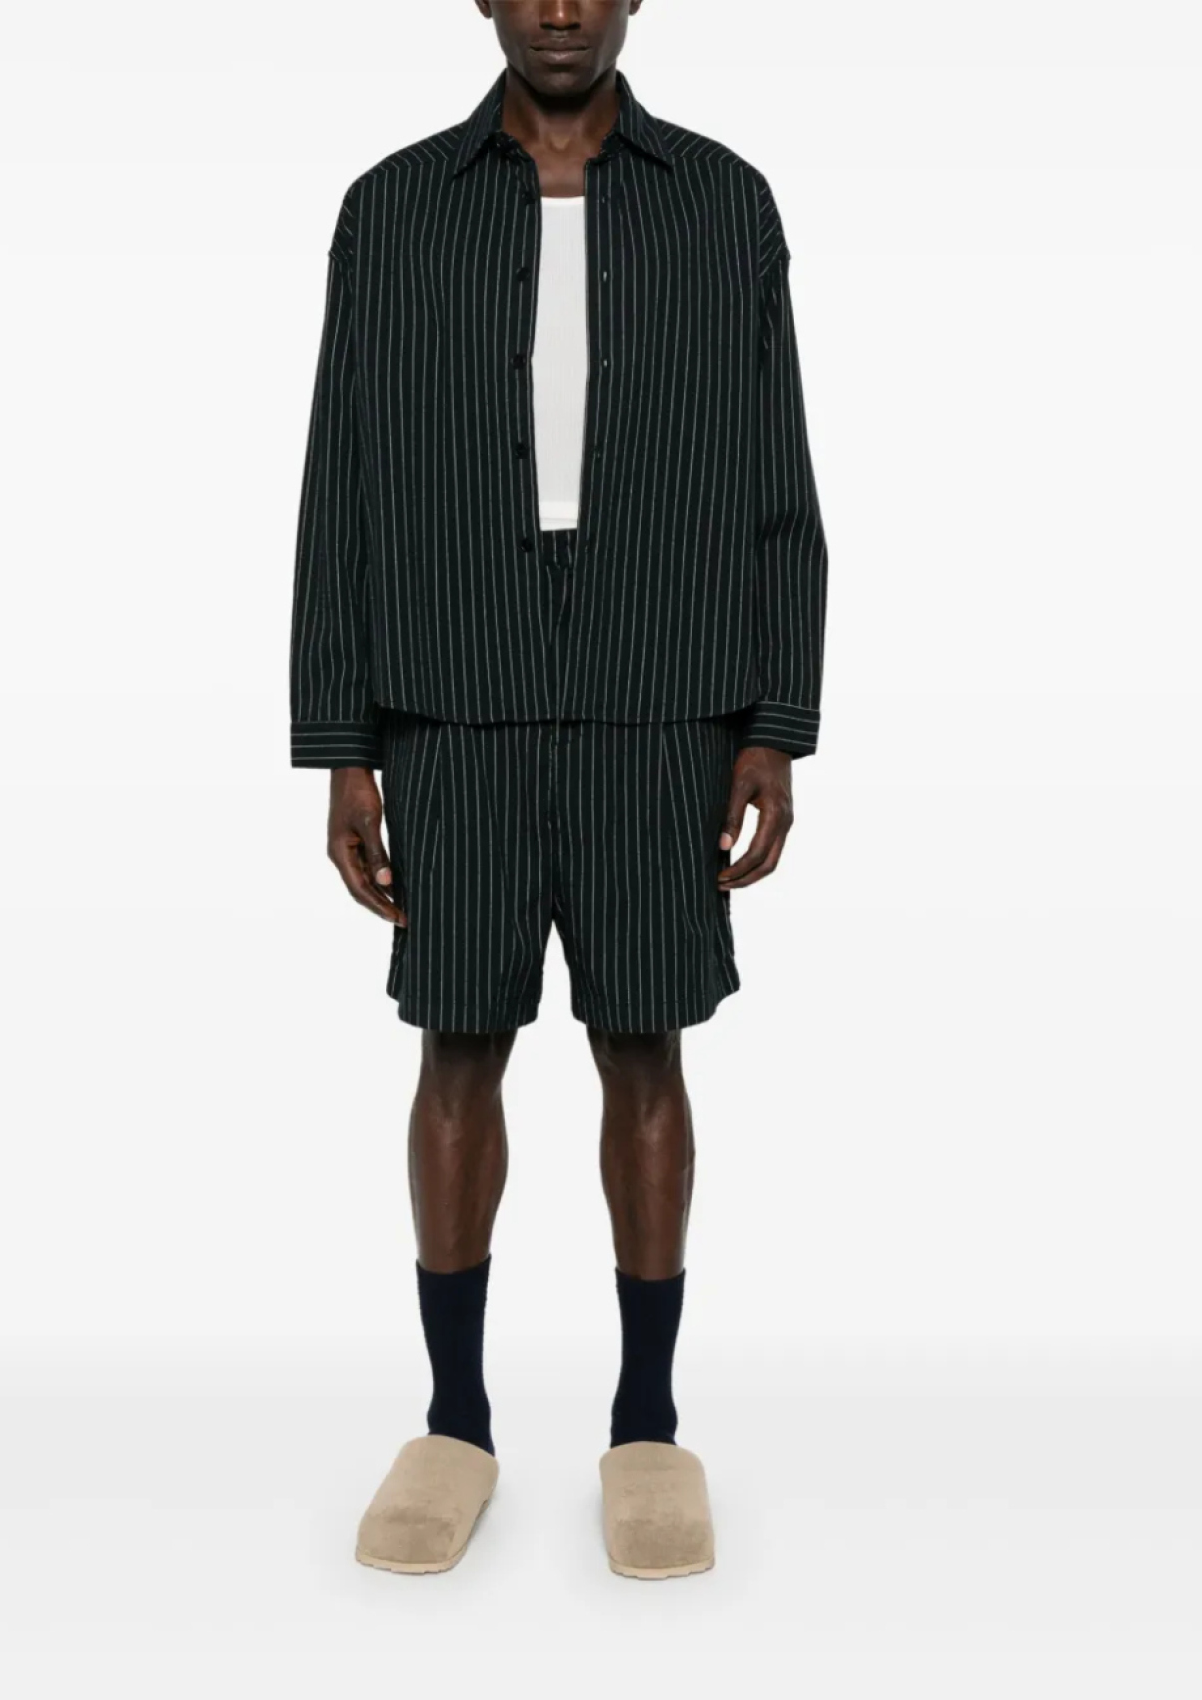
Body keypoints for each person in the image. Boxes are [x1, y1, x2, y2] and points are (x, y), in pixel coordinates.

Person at [289, 0, 827, 1580]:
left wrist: (775, 723)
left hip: (660, 696)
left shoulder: (722, 202)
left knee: (643, 1045)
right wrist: (340, 742)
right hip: (451, 696)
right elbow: (339, 484)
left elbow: (778, 476)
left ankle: (647, 1427)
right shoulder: (395, 209)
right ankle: (453, 1424)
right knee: (457, 1047)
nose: (562, 9)